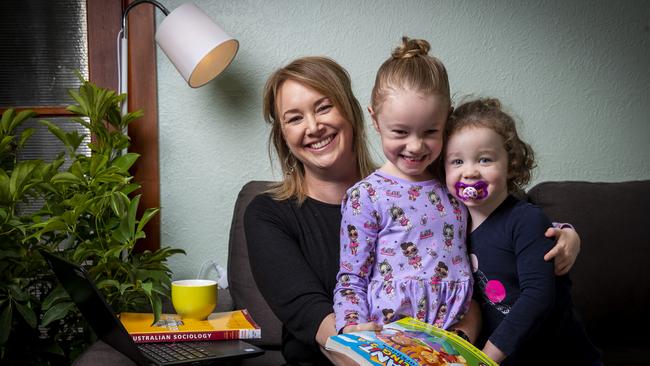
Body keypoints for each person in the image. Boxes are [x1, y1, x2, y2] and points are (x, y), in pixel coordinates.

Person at [244, 55, 580, 366]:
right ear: (282, 134)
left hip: (444, 348)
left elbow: (502, 210)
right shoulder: (272, 212)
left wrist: (561, 232)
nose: (314, 126)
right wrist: (370, 350)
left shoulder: (434, 181)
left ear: (353, 112)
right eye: (294, 118)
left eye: (324, 107)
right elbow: (309, 308)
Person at [332, 38, 475, 339]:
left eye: (430, 132)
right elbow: (352, 276)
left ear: (447, 119)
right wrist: (352, 327)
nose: (415, 146)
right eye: (400, 132)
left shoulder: (457, 183)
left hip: (456, 338)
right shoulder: (367, 196)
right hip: (391, 338)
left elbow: (504, 219)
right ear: (375, 120)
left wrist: (559, 231)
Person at [444, 98, 601, 365]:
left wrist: (486, 358)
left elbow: (538, 296)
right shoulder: (456, 226)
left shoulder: (526, 220)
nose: (469, 171)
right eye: (457, 161)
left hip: (558, 355)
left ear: (511, 164)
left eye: (484, 159)